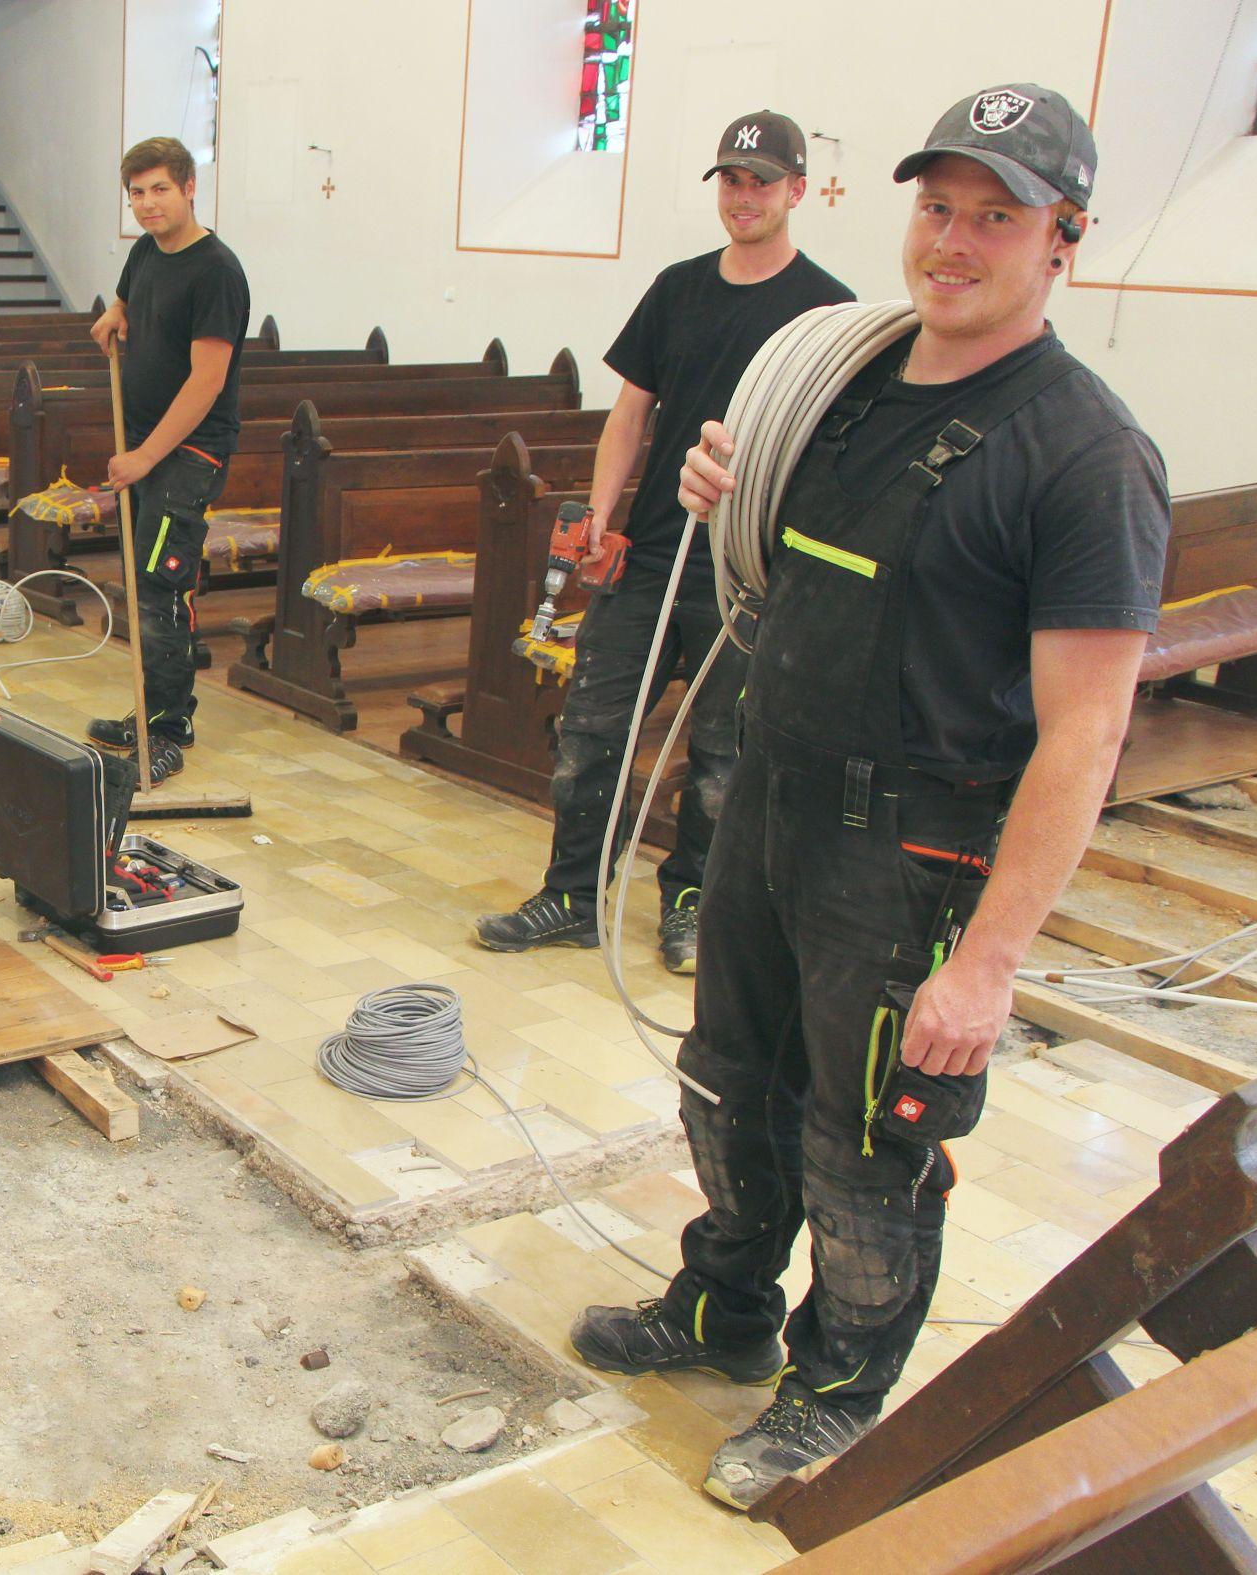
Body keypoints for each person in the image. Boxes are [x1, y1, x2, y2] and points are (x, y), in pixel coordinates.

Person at [569, 84, 1170, 1510]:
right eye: (937, 206)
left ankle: (837, 1393)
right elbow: (774, 549)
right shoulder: (840, 380)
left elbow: (1081, 740)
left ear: (1061, 238)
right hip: (769, 798)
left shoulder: (1084, 456)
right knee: (728, 1084)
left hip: (909, 852)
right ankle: (723, 1304)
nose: (952, 243)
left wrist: (988, 963)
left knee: (866, 1143)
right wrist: (725, 480)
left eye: (995, 216)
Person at [474, 111, 853, 974]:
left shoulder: (826, 309)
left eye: (761, 181)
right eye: (731, 179)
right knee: (592, 733)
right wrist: (601, 515)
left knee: (722, 756)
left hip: (748, 570)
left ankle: (689, 904)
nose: (744, 196)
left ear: (797, 190)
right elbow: (631, 414)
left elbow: (832, 448)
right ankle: (573, 896)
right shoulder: (679, 289)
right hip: (649, 555)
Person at [84, 136, 251, 786]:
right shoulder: (146, 251)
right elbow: (130, 298)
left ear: (188, 188)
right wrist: (115, 315)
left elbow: (208, 381)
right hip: (149, 445)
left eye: (158, 189)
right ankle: (152, 708)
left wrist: (145, 456)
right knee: (144, 578)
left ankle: (169, 729)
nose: (147, 204)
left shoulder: (217, 271)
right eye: (136, 192)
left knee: (162, 583)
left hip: (189, 451)